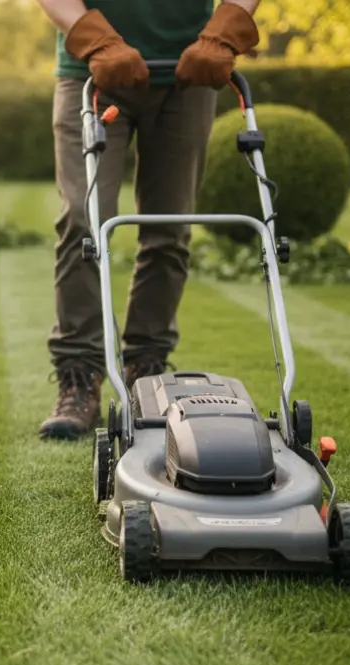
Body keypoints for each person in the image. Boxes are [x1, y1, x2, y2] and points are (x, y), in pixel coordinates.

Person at [33, 0, 261, 441]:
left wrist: (222, 35)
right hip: (91, 73)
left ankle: (147, 374)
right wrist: (96, 40)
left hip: (189, 72)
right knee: (84, 221)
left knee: (169, 228)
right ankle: (79, 379)